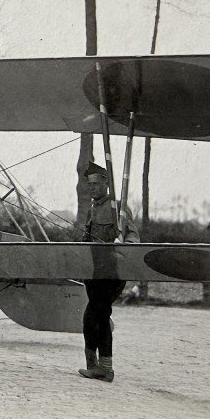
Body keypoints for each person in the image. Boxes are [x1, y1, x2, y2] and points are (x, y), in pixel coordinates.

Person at [77, 162, 139, 383]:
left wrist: (124, 245)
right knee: (93, 317)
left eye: (96, 183)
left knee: (98, 315)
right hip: (94, 272)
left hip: (112, 272)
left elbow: (132, 235)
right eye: (89, 184)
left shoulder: (117, 206)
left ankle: (104, 368)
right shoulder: (92, 209)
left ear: (106, 183)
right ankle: (95, 365)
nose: (92, 188)